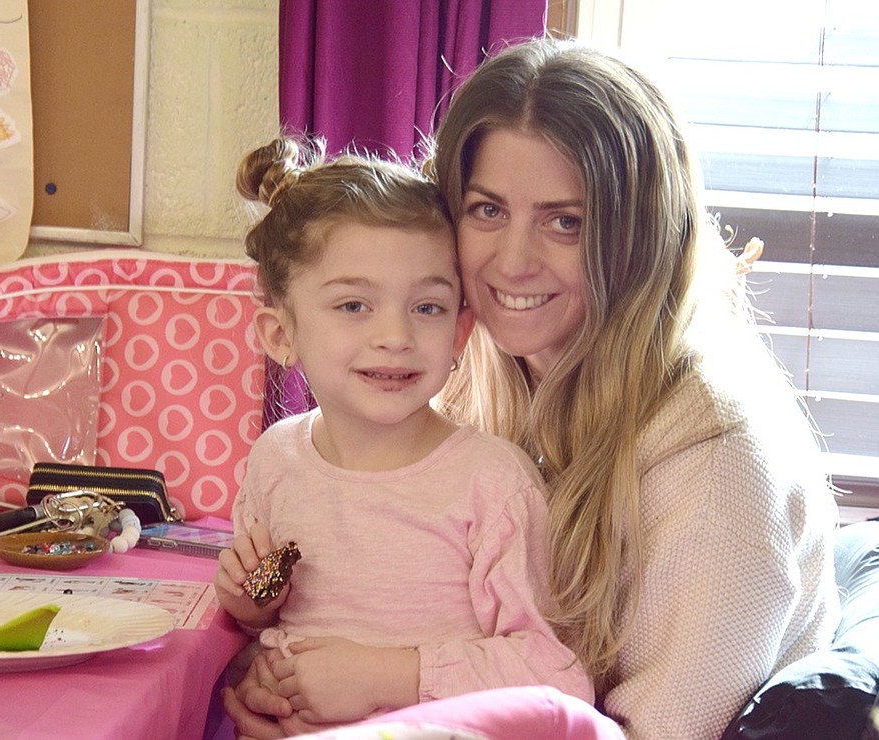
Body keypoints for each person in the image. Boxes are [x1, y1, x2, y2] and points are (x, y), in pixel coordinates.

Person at [225, 39, 841, 740]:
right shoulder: (500, 366)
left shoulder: (716, 470)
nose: (512, 263)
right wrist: (274, 681)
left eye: (565, 221)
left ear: (639, 234)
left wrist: (371, 701)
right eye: (487, 210)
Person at [214, 136, 604, 734]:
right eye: (353, 306)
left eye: (426, 307)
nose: (395, 335)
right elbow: (267, 628)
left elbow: (556, 675)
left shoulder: (491, 483)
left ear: (459, 332)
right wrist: (250, 613)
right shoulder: (275, 460)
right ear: (279, 334)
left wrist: (383, 675)